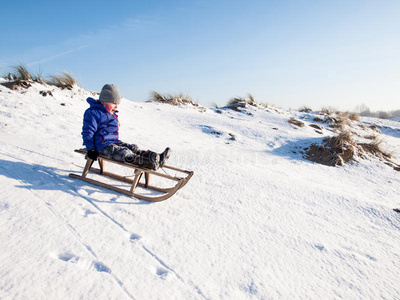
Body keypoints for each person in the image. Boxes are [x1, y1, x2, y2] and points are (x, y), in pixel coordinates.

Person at [81, 84, 170, 170]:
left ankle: (156, 158)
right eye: (113, 103)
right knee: (123, 152)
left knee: (132, 147)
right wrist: (91, 149)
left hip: (114, 142)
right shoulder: (93, 113)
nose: (116, 106)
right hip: (100, 146)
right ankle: (146, 161)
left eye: (117, 103)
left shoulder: (112, 114)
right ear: (103, 101)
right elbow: (88, 132)